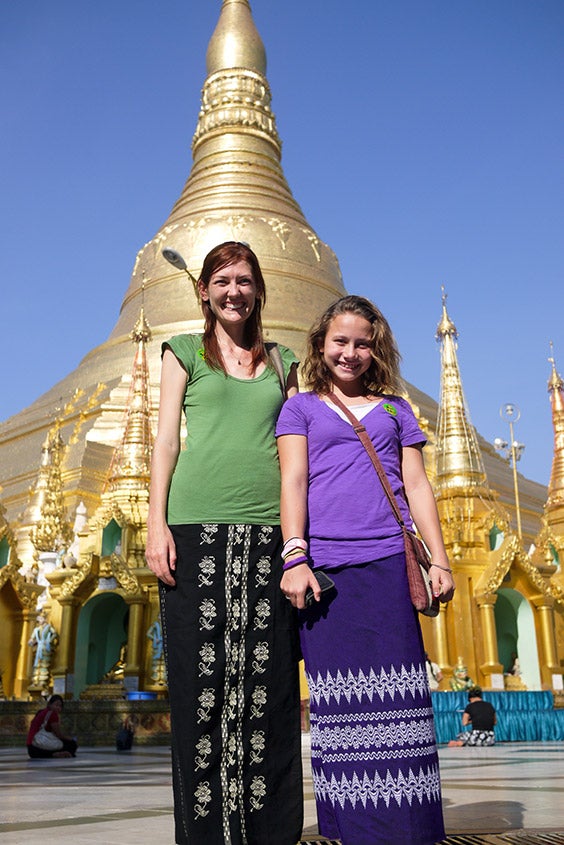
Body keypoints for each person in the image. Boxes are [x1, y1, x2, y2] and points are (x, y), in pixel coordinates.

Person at [275, 294, 455, 845]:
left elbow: (417, 486)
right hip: (329, 572)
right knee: (341, 707)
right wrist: (295, 555)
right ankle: (354, 830)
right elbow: (294, 482)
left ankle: (410, 829)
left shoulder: (397, 410)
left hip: (388, 566)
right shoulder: (300, 409)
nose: (350, 353)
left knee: (401, 703)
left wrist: (439, 558)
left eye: (362, 343)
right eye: (340, 342)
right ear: (320, 345)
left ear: (376, 350)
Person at [145, 241, 303, 845]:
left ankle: (269, 833)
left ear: (259, 291)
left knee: (269, 690)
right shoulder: (182, 352)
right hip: (194, 528)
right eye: (221, 280)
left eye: (243, 280)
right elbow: (165, 443)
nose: (233, 291)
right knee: (199, 687)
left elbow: (296, 455)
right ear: (205, 292)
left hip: (268, 532)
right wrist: (156, 525)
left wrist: (298, 543)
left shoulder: (284, 361)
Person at [27, 694, 78, 759]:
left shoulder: (41, 712)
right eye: (56, 705)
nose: (58, 708)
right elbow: (58, 735)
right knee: (72, 744)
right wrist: (71, 739)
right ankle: (56, 753)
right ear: (49, 704)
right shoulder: (52, 714)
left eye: (60, 706)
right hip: (37, 746)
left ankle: (52, 754)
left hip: (32, 750)